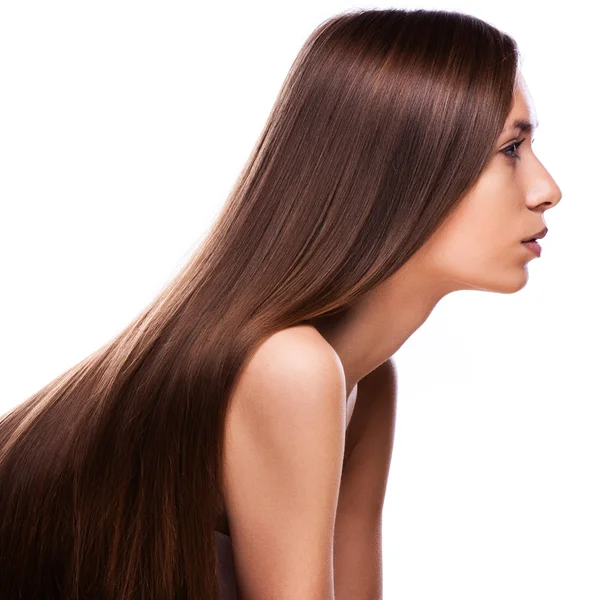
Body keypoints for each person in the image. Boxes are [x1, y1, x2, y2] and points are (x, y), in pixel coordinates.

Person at [0, 7, 561, 600]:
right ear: (399, 168)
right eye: (510, 149)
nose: (547, 189)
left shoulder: (364, 384)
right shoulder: (288, 366)